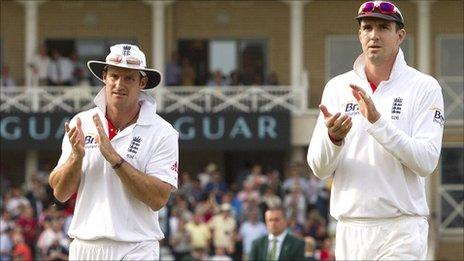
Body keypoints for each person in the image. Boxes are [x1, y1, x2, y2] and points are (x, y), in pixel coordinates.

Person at [306, 1, 444, 260]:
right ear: (359, 34)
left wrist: (379, 123)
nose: (374, 34)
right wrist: (333, 139)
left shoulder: (424, 87)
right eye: (367, 27)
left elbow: (426, 161)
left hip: (401, 227)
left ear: (400, 35)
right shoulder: (338, 87)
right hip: (350, 228)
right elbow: (319, 168)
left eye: (383, 27)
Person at [48, 44, 179, 260]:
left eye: (129, 78)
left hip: (137, 247)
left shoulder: (163, 132)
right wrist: (76, 158)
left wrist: (116, 160)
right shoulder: (81, 122)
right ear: (104, 77)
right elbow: (60, 193)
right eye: (115, 76)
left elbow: (158, 199)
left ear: (142, 82)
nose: (120, 84)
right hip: (85, 246)